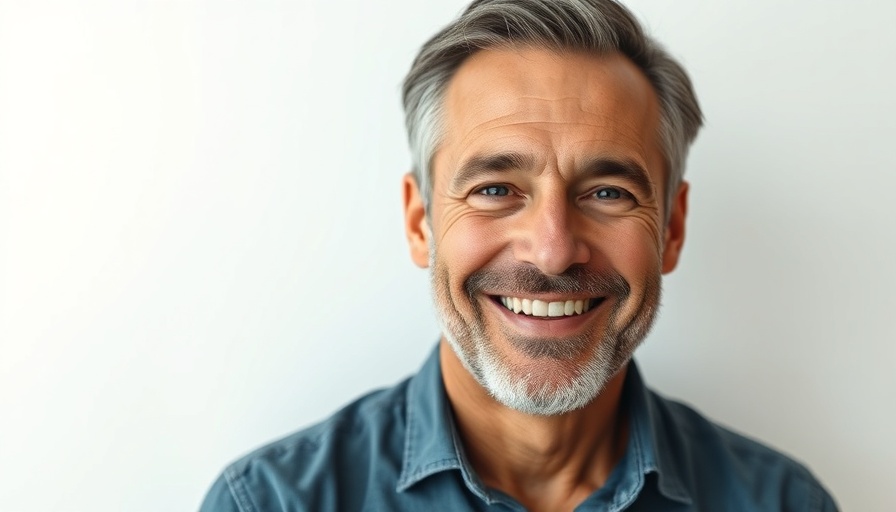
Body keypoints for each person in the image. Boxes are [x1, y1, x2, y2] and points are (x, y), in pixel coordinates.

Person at [200, 0, 838, 510]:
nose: (554, 250)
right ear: (421, 222)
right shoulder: (271, 503)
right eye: (496, 190)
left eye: (609, 192)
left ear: (671, 228)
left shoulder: (782, 503)